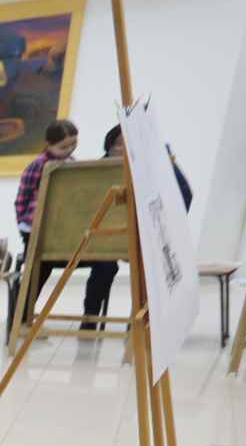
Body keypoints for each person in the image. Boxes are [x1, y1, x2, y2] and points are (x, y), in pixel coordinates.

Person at [79, 125, 195, 330]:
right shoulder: (100, 169)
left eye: (129, 144)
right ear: (108, 147)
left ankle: (139, 324)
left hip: (146, 235)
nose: (123, 150)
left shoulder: (157, 162)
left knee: (151, 266)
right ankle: (89, 320)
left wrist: (162, 227)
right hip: (107, 236)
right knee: (105, 265)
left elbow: (183, 194)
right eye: (118, 145)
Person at [11, 119, 80, 332]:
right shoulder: (38, 165)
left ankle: (25, 317)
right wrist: (23, 224)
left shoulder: (72, 163)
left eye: (73, 144)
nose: (69, 150)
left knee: (43, 270)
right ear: (48, 144)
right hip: (35, 228)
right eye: (63, 147)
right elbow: (22, 197)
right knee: (36, 272)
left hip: (59, 227)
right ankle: (20, 319)